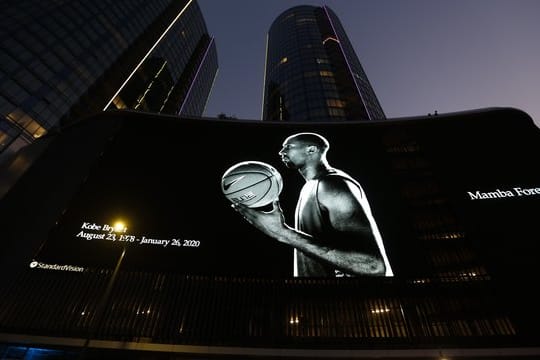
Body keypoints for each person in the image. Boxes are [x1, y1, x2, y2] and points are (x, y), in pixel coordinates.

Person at [232, 132, 393, 277]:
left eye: (288, 147)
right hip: (325, 307)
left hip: (357, 307)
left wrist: (282, 233)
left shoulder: (331, 185)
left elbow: (373, 266)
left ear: (311, 150)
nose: (281, 152)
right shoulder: (312, 186)